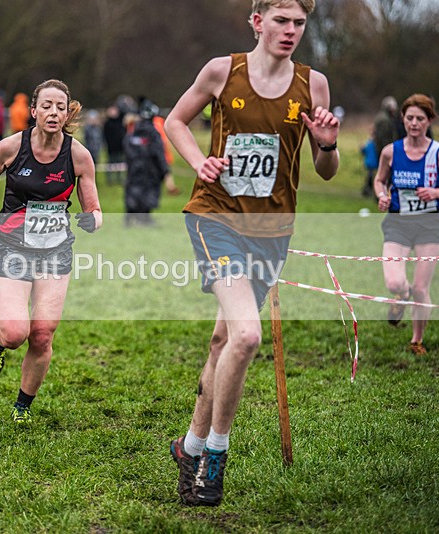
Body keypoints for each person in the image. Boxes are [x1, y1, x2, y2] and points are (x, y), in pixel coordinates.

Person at [164, 0, 339, 507]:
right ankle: (214, 458)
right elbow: (175, 121)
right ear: (257, 21)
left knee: (223, 342)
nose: (290, 31)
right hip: (216, 219)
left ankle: (188, 447)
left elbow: (325, 169)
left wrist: (325, 145)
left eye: (299, 23)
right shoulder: (223, 71)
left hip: (272, 230)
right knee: (246, 336)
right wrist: (199, 162)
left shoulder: (315, 84)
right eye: (280, 20)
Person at [0, 79, 102, 424]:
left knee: (42, 334)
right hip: (13, 247)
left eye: (60, 106)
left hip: (56, 251)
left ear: (67, 112)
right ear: (33, 111)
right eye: (46, 105)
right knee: (16, 332)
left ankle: (22, 406)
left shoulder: (78, 155)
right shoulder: (11, 147)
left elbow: (95, 210)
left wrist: (92, 221)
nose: (53, 112)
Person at [372, 94, 439, 356]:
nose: (414, 123)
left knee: (421, 288)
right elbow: (379, 180)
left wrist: (438, 194)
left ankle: (417, 340)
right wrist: (382, 195)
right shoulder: (390, 152)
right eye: (409, 118)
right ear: (402, 119)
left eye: (420, 118)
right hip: (398, 223)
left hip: (430, 226)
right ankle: (401, 295)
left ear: (429, 121)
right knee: (394, 282)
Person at [123, 99, 168, 226]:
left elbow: (127, 147)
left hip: (134, 169)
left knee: (133, 191)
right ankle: (144, 219)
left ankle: (131, 217)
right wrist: (164, 170)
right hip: (150, 170)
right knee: (148, 193)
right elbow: (158, 152)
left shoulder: (134, 130)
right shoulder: (154, 132)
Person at [103, 104, 126, 185]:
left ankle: (120, 179)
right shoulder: (107, 123)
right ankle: (110, 180)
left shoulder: (120, 121)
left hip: (120, 147)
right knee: (111, 164)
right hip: (111, 148)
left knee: (121, 164)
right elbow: (104, 136)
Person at [360, 132, 378, 197]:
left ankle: (368, 190)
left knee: (370, 177)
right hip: (372, 163)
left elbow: (363, 151)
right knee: (370, 177)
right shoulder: (372, 143)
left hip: (372, 163)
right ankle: (368, 190)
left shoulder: (369, 143)